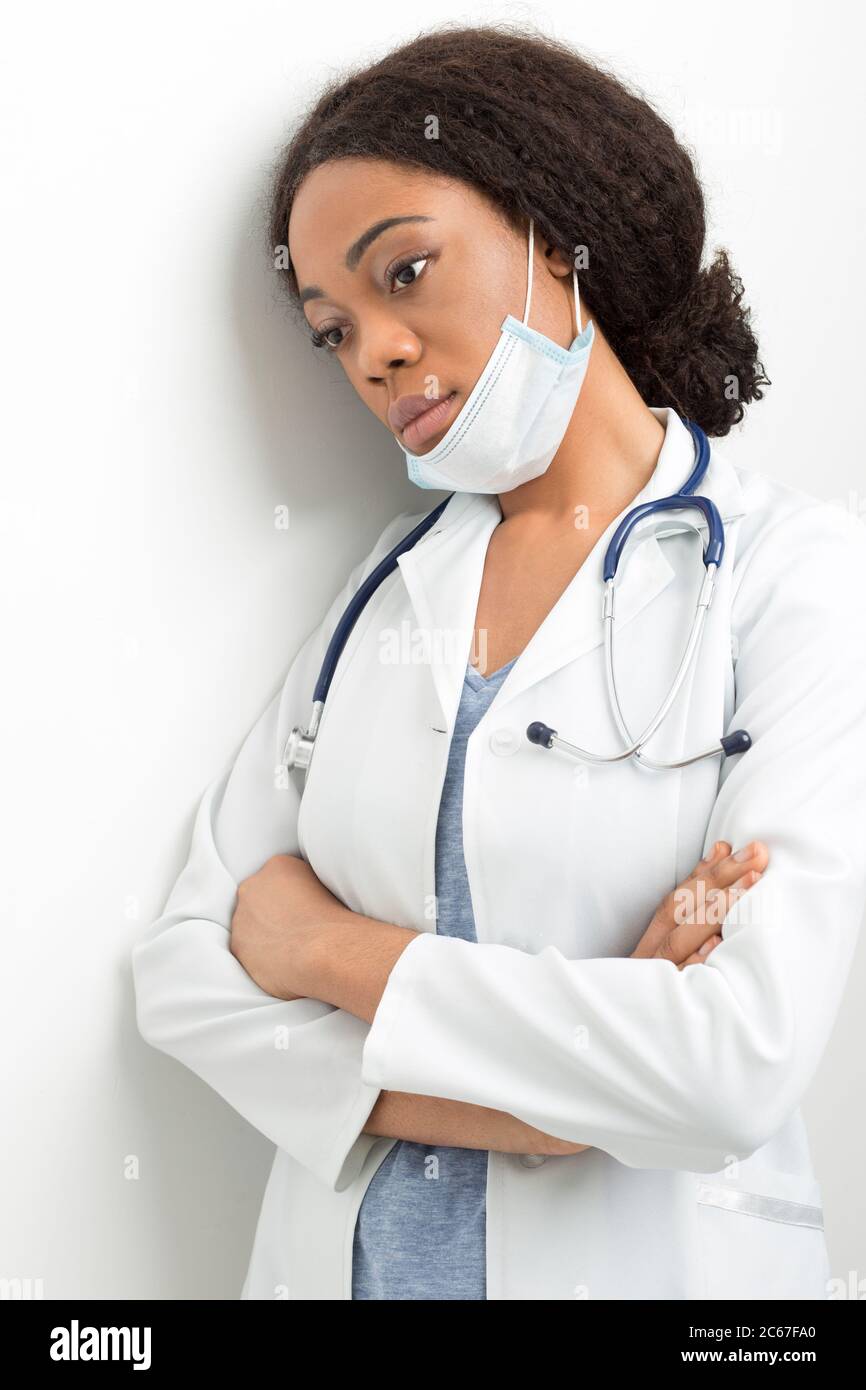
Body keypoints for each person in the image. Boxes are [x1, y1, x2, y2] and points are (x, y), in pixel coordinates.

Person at [132, 24, 866, 1300]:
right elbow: (187, 969)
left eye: (404, 271)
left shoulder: (789, 573)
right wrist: (540, 1112)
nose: (372, 351)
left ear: (559, 230)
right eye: (330, 329)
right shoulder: (381, 594)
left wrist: (325, 953)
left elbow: (729, 1063)